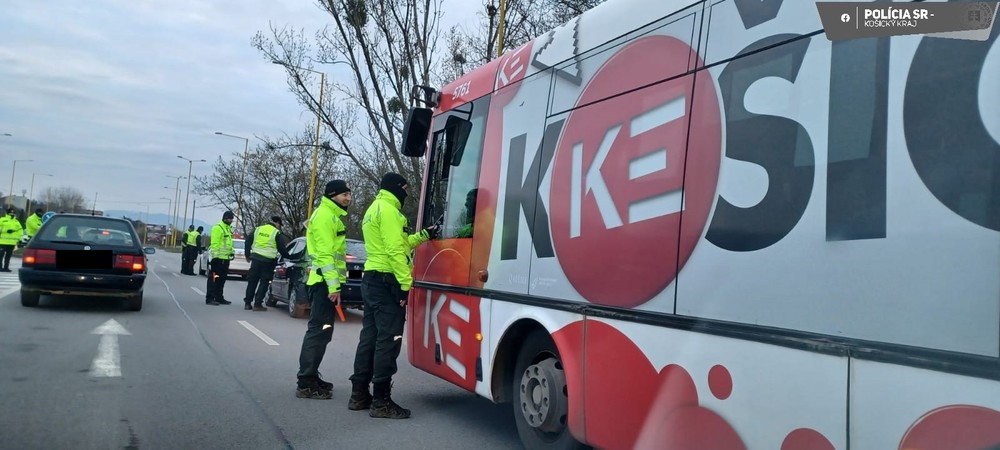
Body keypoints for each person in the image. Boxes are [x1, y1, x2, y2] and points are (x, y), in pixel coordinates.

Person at [348, 173, 436, 419]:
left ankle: (359, 394)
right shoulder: (388, 211)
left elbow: (400, 243)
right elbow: (395, 250)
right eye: (405, 188)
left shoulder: (374, 209)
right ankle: (381, 402)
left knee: (370, 338)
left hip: (372, 278)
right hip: (387, 280)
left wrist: (423, 236)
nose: (407, 192)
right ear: (396, 187)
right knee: (389, 340)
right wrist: (405, 284)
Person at [296, 179, 352, 400]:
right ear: (332, 195)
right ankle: (306, 383)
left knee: (322, 332)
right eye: (344, 194)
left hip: (324, 283)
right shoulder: (325, 217)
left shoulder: (331, 215)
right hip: (323, 284)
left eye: (349, 194)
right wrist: (333, 286)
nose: (348, 198)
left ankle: (311, 376)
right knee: (318, 332)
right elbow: (325, 255)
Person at [243, 215, 290, 311]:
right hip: (268, 262)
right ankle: (257, 304)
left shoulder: (258, 229)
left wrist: (247, 255)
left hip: (255, 259)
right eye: (280, 225)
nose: (279, 227)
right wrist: (289, 256)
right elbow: (281, 249)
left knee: (252, 281)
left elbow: (247, 241)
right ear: (277, 223)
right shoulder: (276, 233)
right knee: (264, 283)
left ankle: (247, 303)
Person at [205, 211, 235, 306]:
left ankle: (219, 297)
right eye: (230, 219)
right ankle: (210, 298)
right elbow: (215, 244)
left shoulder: (228, 229)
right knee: (214, 278)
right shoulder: (218, 228)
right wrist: (214, 258)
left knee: (222, 280)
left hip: (225, 259)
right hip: (217, 259)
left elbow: (228, 243)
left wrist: (231, 252)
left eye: (232, 219)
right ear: (225, 218)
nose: (231, 221)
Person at [0, 207, 23, 272]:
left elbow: (20, 231)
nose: (12, 214)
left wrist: (20, 239)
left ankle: (6, 268)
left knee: (8, 256)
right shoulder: (2, 220)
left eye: (13, 213)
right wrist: (6, 230)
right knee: (1, 256)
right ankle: (0, 267)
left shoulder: (16, 222)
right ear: (7, 213)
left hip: (12, 242)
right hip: (2, 242)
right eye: (10, 213)